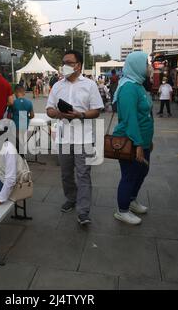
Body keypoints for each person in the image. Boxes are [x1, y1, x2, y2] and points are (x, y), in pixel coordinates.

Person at [46, 50, 104, 225]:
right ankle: (71, 198)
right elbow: (49, 109)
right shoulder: (57, 86)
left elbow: (97, 110)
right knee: (65, 174)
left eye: (68, 62)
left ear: (78, 65)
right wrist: (58, 113)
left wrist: (80, 115)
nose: (64, 65)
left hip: (84, 138)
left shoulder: (90, 85)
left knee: (83, 174)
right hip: (64, 138)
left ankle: (83, 211)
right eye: (63, 62)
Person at [112, 52, 154, 225]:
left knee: (142, 171)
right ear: (136, 65)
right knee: (130, 175)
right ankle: (122, 210)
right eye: (146, 63)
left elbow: (144, 116)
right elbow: (130, 119)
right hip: (130, 141)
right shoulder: (128, 88)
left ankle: (131, 200)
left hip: (142, 141)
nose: (149, 67)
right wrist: (137, 144)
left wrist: (147, 141)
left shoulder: (138, 85)